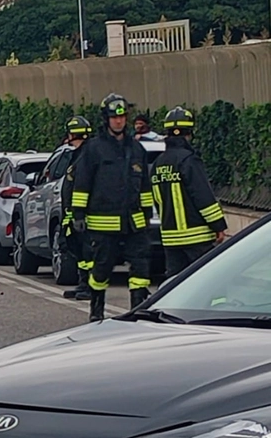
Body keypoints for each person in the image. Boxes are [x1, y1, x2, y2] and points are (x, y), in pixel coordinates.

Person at [70, 93, 155, 321]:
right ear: (106, 119)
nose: (119, 121)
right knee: (100, 271)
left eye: (122, 117)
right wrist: (78, 214)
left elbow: (145, 186)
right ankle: (96, 314)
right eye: (114, 117)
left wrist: (147, 214)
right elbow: (82, 184)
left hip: (134, 224)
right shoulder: (94, 149)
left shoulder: (137, 150)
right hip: (103, 224)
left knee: (140, 270)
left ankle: (137, 314)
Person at [152, 106, 228, 278]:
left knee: (175, 284)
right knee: (206, 281)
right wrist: (218, 226)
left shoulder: (158, 164)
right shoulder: (189, 160)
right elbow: (203, 196)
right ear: (189, 134)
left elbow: (156, 199)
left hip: (170, 238)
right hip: (197, 237)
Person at [59, 115, 96, 301]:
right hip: (75, 214)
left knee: (88, 253)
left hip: (85, 216)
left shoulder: (86, 157)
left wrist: (78, 214)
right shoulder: (79, 155)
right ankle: (83, 284)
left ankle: (90, 287)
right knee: (80, 253)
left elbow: (82, 188)